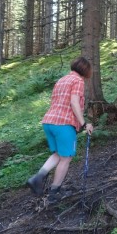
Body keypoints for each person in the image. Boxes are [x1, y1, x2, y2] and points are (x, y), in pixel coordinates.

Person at [26, 56, 94, 203]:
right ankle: (53, 193)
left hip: (49, 121)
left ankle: (37, 178)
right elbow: (74, 102)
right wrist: (84, 124)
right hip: (63, 124)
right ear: (85, 70)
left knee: (59, 154)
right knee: (66, 158)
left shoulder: (61, 80)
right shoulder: (78, 81)